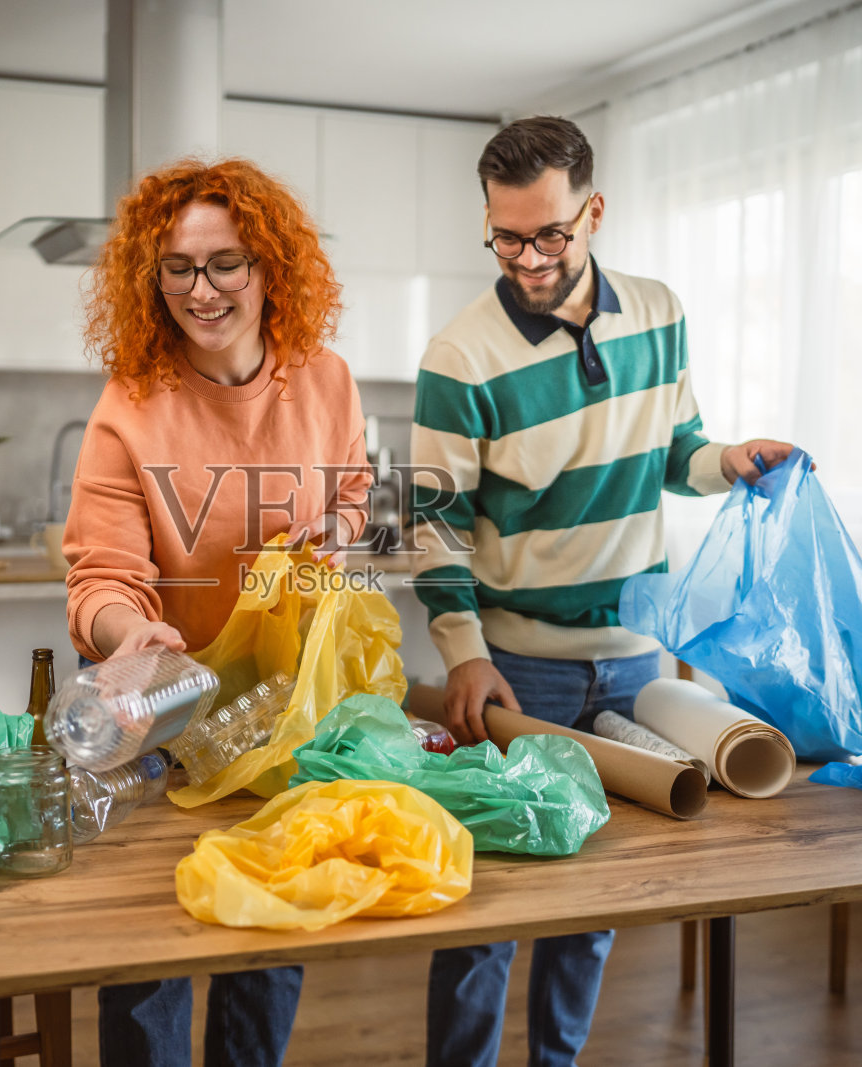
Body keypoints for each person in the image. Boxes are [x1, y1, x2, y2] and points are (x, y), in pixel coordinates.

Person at [409, 115, 797, 1066]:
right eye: (506, 235)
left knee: (596, 903)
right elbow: (429, 520)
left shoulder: (661, 312)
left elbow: (676, 453)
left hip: (632, 660)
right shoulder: (459, 357)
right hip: (518, 672)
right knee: (487, 905)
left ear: (595, 211)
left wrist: (730, 460)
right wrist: (464, 655)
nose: (529, 258)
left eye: (551, 234)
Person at [63, 156, 372, 1067]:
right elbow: (102, 577)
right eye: (178, 267)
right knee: (150, 949)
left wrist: (341, 527)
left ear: (269, 266)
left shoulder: (328, 381)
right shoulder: (131, 405)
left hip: (282, 716)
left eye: (227, 262)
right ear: (151, 280)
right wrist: (134, 637)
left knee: (266, 941)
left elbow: (355, 490)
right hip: (164, 717)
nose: (203, 289)